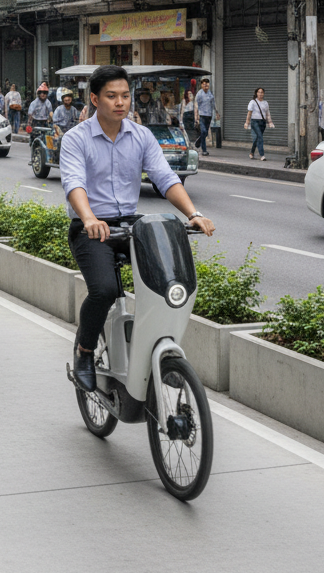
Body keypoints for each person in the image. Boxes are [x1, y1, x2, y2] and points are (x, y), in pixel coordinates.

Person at [59, 65, 215, 391]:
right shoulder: (76, 139)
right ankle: (85, 352)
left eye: (125, 96)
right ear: (95, 98)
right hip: (91, 228)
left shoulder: (141, 136)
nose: (121, 103)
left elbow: (165, 178)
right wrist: (88, 218)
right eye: (112, 96)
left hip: (131, 225)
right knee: (104, 290)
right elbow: (74, 183)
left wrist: (193, 213)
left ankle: (156, 350)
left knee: (167, 283)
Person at [244, 87, 274, 160]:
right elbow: (249, 113)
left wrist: (270, 122)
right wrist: (247, 123)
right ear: (256, 93)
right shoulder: (253, 102)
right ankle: (262, 155)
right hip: (254, 122)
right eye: (259, 92)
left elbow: (267, 113)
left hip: (262, 122)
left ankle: (252, 152)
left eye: (262, 92)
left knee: (257, 138)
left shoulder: (265, 103)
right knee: (260, 137)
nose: (260, 94)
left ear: (263, 94)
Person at [194, 78, 217, 156]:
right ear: (201, 85)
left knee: (206, 133)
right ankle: (204, 150)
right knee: (203, 131)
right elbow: (196, 105)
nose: (206, 86)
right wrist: (196, 116)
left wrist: (216, 112)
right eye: (204, 84)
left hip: (209, 115)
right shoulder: (199, 94)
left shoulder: (210, 93)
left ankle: (198, 141)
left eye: (207, 84)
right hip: (202, 115)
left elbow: (213, 103)